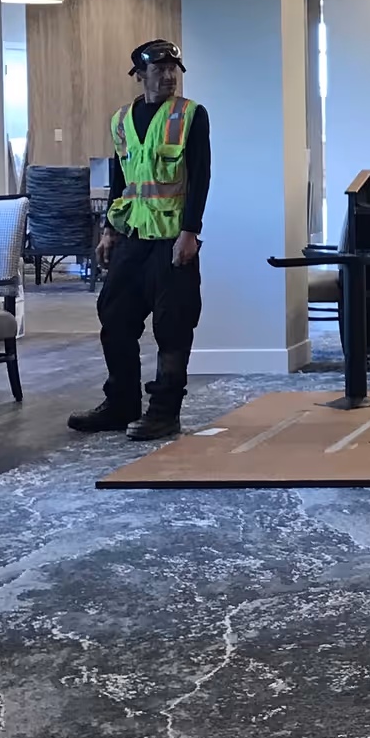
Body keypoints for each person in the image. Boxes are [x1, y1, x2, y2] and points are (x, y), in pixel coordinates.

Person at [68, 39, 210, 441]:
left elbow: (200, 176)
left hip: (172, 242)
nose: (168, 76)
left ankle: (164, 411)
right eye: (159, 69)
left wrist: (190, 232)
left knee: (173, 326)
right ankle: (121, 403)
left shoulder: (191, 116)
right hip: (131, 237)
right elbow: (120, 181)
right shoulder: (121, 121)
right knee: (114, 318)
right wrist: (108, 232)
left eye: (173, 70)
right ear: (140, 74)